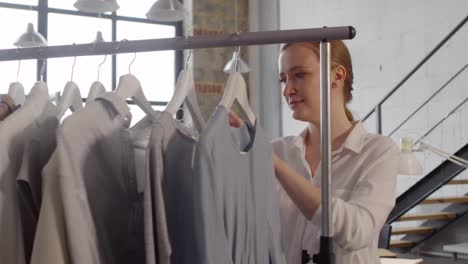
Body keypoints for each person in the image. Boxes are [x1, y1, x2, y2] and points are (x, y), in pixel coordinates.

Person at [230, 40, 399, 263]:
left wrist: (275, 166)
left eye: (299, 75)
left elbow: (358, 232)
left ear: (337, 76)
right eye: (283, 80)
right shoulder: (277, 150)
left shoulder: (378, 152)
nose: (287, 90)